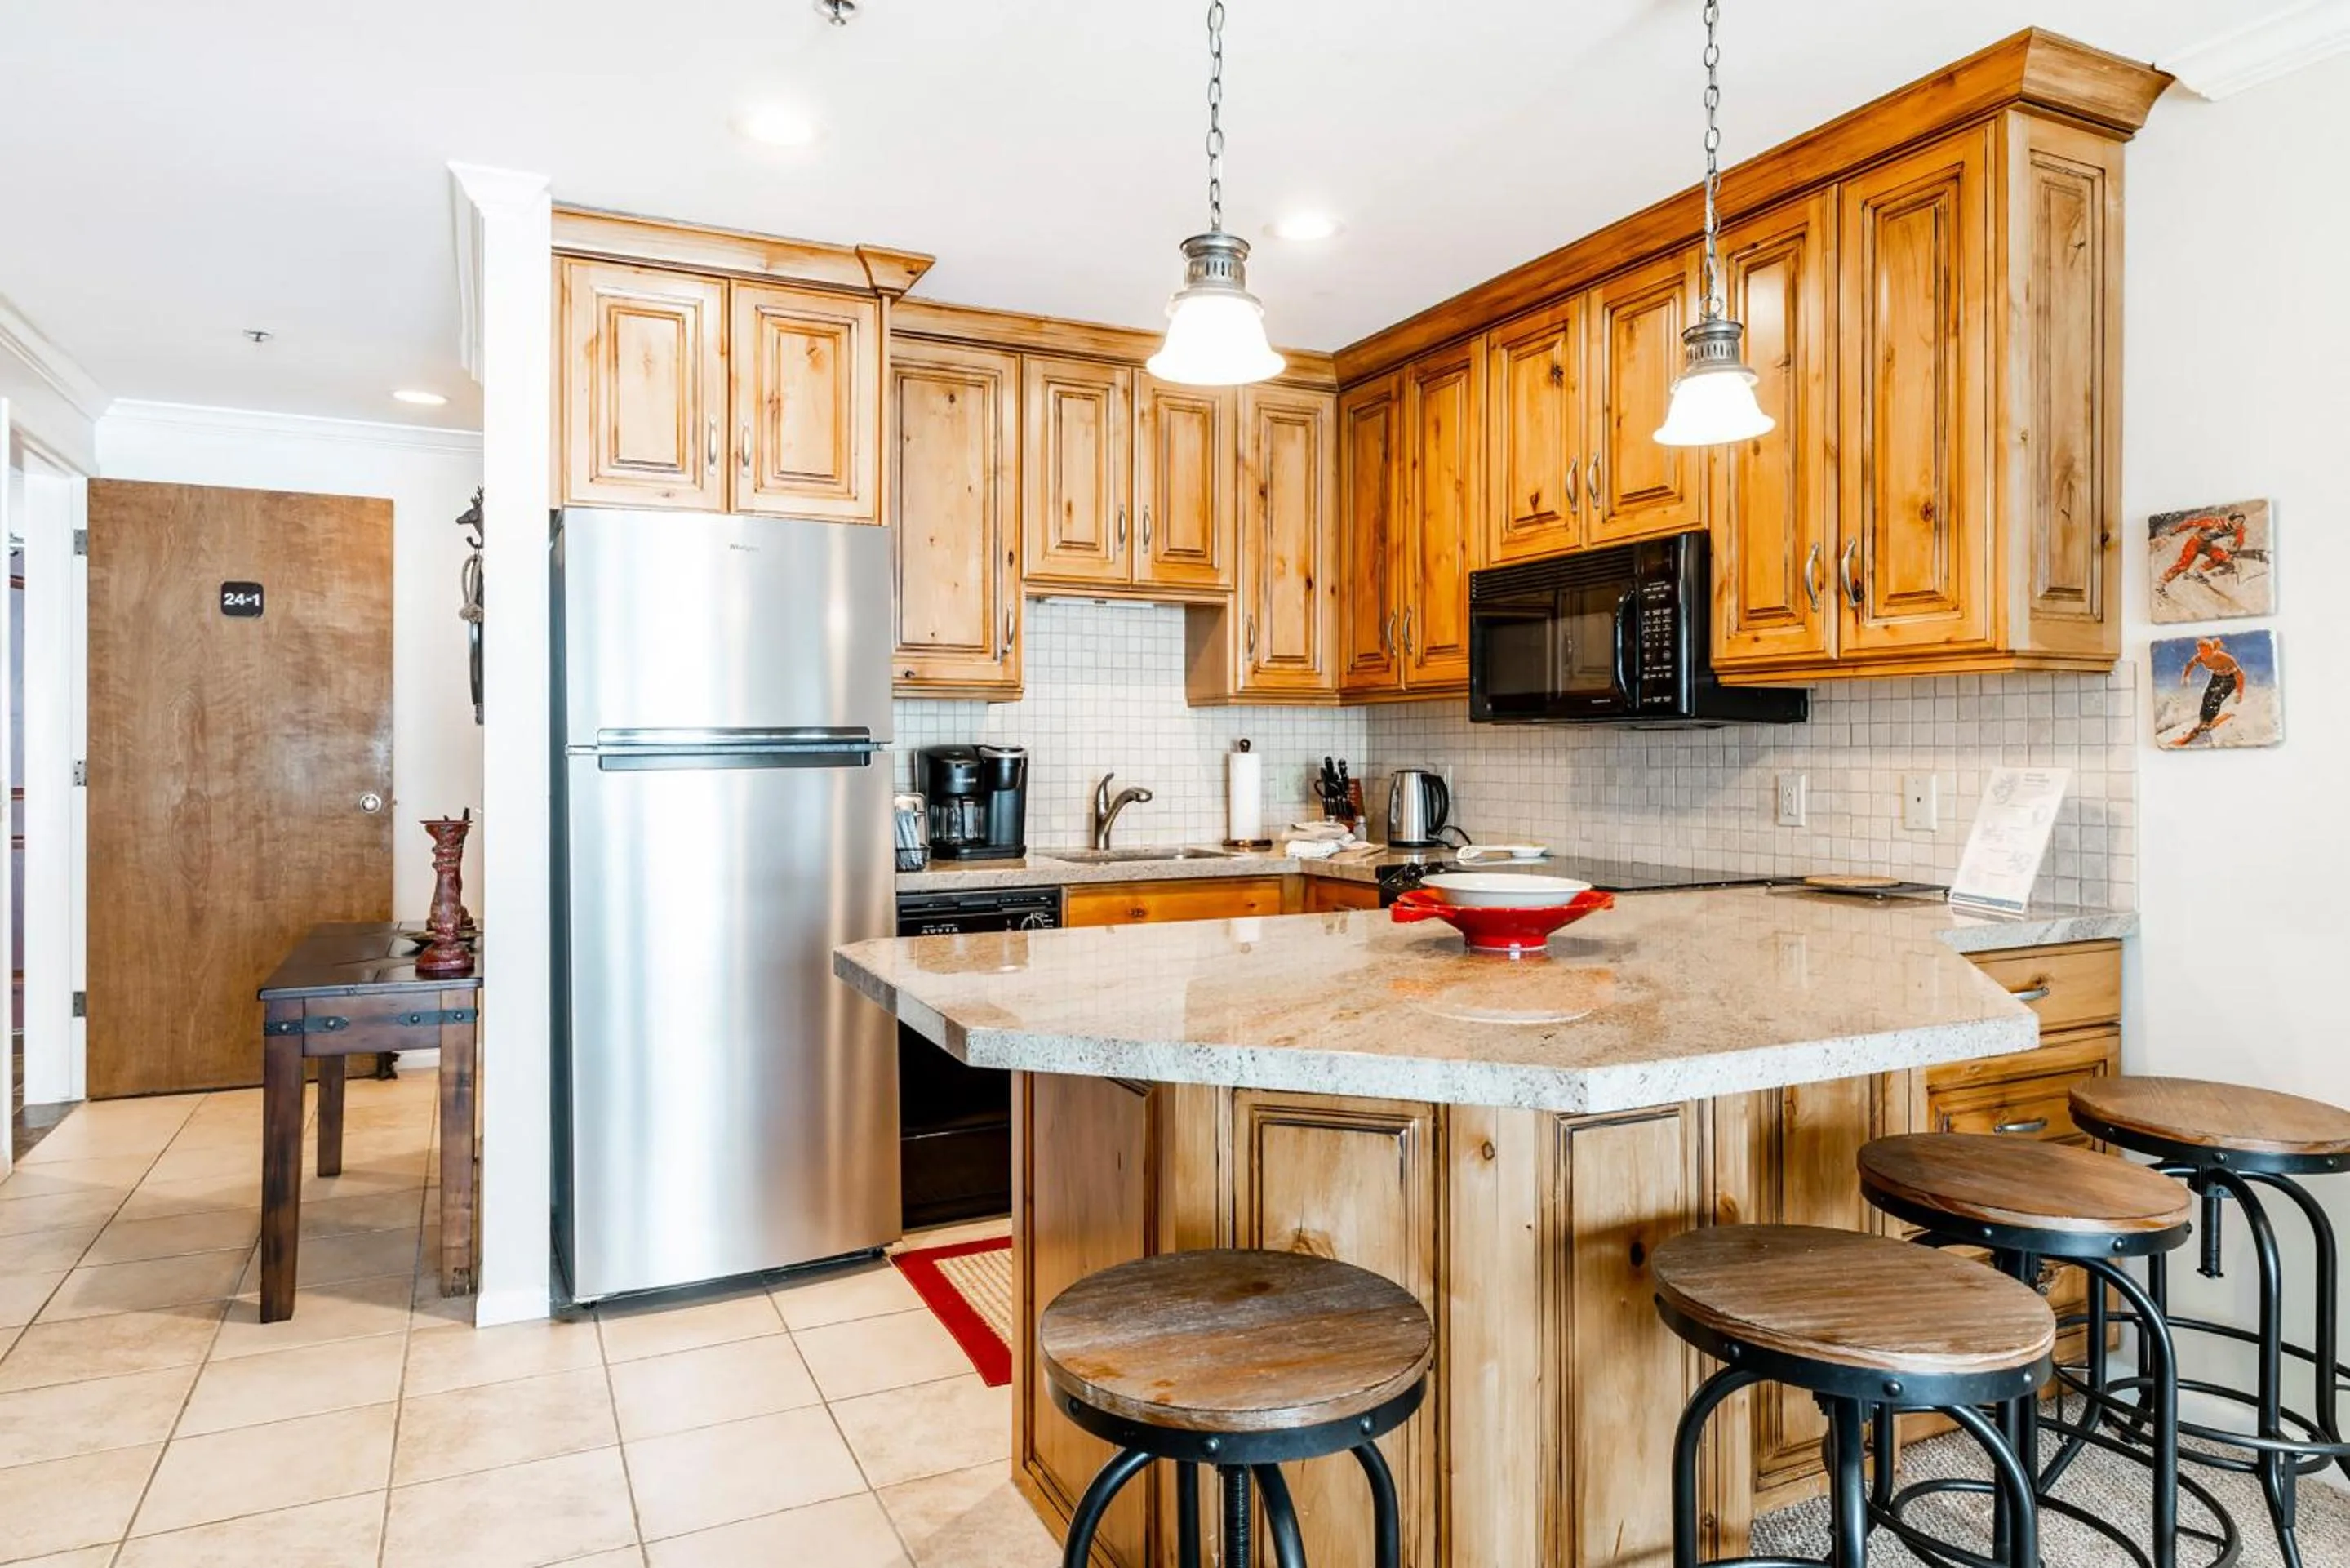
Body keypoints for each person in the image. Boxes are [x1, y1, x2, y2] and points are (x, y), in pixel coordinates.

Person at [2170, 636, 2245, 748]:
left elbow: (2240, 675)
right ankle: (2203, 721)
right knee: (2207, 697)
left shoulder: (2225, 659)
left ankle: (2208, 721)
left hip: (2231, 679)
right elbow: (2190, 665)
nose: (2204, 655)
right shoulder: (2200, 657)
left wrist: (2239, 693)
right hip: (2217, 677)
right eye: (2201, 651)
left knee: (2216, 698)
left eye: (2206, 652)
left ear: (2213, 650)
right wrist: (2185, 677)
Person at [2157, 509, 2247, 593]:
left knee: (2221, 556)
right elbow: (2191, 523)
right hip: (2195, 543)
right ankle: (2162, 582)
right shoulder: (2214, 522)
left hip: (2206, 545)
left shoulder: (2238, 528)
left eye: (2241, 522)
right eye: (2237, 521)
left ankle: (2197, 571)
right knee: (2184, 565)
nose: (2239, 524)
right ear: (2231, 520)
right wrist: (2176, 531)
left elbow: (2240, 539)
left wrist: (2236, 548)